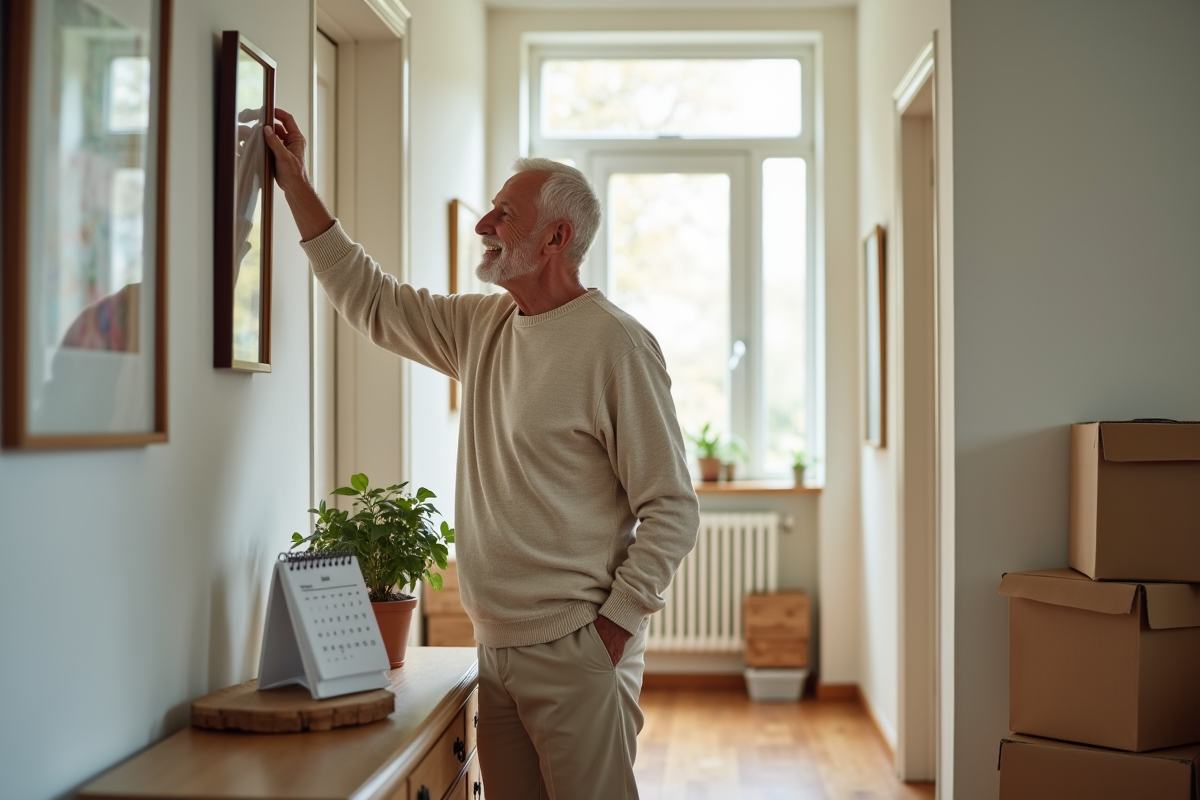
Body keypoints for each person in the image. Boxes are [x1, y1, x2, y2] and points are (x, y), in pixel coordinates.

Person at [265, 109, 699, 800]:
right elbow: (370, 298)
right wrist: (295, 184)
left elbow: (673, 506)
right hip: (495, 648)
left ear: (556, 238)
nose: (483, 225)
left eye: (504, 213)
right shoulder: (482, 325)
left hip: (578, 646)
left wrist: (614, 626)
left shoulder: (615, 345)